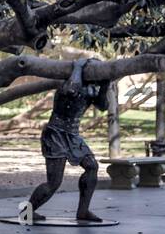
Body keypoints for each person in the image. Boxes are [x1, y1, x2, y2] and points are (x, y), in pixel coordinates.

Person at [28, 57, 110, 222]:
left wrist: (105, 85)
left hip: (72, 136)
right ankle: (27, 211)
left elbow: (103, 106)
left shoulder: (91, 88)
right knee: (54, 182)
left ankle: (83, 211)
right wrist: (78, 65)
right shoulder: (68, 83)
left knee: (92, 166)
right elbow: (71, 90)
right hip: (55, 134)